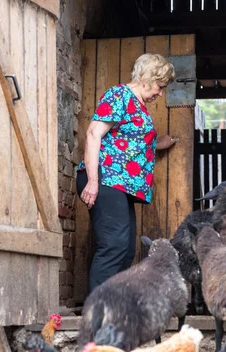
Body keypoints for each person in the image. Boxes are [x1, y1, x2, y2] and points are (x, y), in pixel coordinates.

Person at [77, 53, 178, 293]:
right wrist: (93, 181)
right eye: (160, 86)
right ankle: (98, 315)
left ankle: (116, 307)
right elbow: (93, 134)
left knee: (125, 251)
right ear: (148, 78)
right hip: (106, 179)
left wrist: (160, 142)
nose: (160, 93)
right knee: (113, 246)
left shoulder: (138, 105)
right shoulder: (120, 95)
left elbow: (129, 143)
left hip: (119, 184)